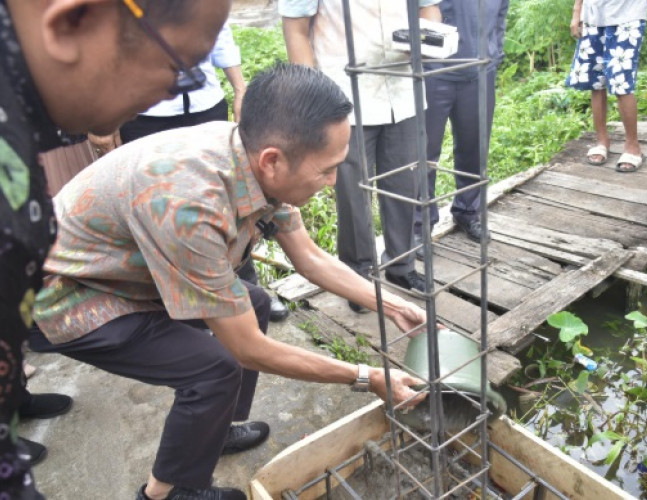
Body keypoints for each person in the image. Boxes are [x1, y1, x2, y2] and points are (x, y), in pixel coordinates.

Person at [30, 63, 426, 500]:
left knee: (253, 306)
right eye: (327, 170)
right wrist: (367, 376)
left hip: (129, 267)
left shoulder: (249, 151)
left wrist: (392, 304)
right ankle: (167, 491)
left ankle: (212, 432)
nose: (333, 183)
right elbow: (248, 350)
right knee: (213, 367)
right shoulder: (191, 205)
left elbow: (310, 257)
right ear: (273, 160)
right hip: (69, 290)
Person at [0, 0, 232, 496]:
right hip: (68, 298)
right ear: (74, 21)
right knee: (215, 364)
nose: (176, 93)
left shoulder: (21, 124)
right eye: (178, 68)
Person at [118, 23, 291, 322]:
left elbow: (219, 31)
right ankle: (175, 309)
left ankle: (248, 292)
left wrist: (240, 88)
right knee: (157, 209)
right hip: (143, 110)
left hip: (203, 104)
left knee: (231, 202)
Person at [280, 0, 442, 312]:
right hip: (344, 95)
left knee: (405, 183)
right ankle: (358, 275)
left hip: (404, 88)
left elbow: (429, 8)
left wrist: (427, 39)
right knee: (353, 194)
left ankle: (401, 266)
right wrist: (314, 100)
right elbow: (296, 28)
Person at [413, 0, 510, 248]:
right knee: (424, 152)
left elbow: (500, 16)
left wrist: (493, 55)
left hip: (480, 71)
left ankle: (469, 211)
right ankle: (419, 226)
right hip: (434, 72)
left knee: (474, 146)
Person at [566, 0, 647, 173]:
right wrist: (577, 11)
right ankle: (602, 140)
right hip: (593, 14)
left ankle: (632, 146)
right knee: (596, 81)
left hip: (629, 15)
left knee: (622, 81)